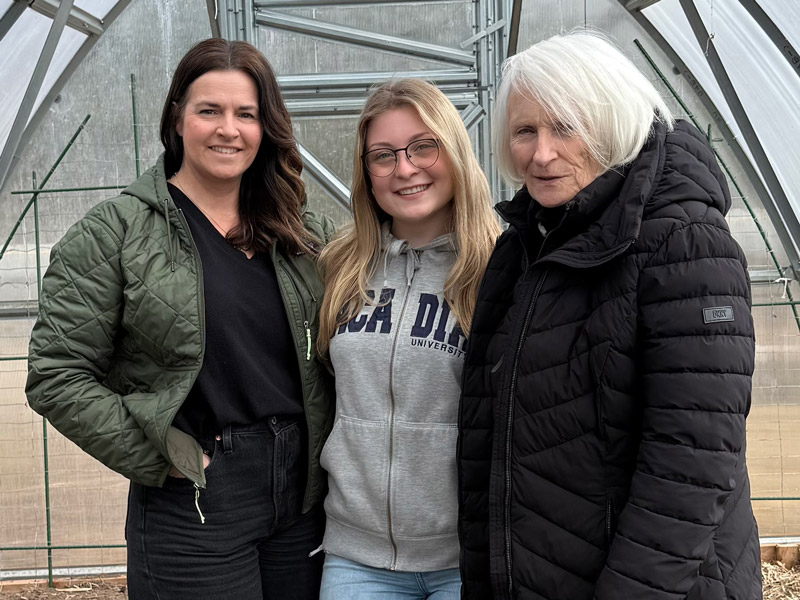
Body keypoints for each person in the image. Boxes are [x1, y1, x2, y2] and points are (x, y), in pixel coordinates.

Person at [457, 31, 762, 600]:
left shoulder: (685, 242)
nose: (541, 153)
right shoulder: (522, 247)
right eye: (525, 131)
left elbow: (691, 463)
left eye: (566, 126)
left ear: (611, 122)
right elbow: (488, 447)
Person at [26, 39, 334, 600]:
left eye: (246, 114)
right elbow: (56, 374)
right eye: (209, 111)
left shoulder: (299, 232)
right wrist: (166, 457)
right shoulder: (114, 233)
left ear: (266, 127)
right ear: (177, 118)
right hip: (195, 502)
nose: (228, 129)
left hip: (302, 498)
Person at [315, 78, 501, 599]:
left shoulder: (502, 267)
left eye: (424, 146)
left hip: (467, 554)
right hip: (357, 556)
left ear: (455, 152)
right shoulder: (339, 267)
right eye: (383, 156)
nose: (405, 168)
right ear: (366, 173)